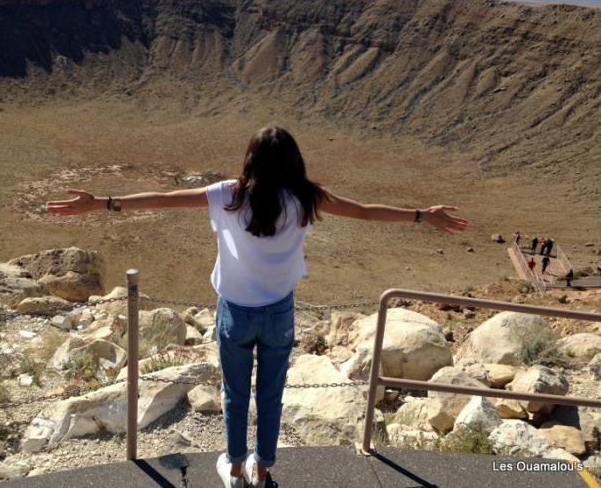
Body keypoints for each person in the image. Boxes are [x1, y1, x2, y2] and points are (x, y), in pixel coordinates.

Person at [45, 126, 470, 488]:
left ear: (249, 159)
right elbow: (364, 213)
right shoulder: (306, 197)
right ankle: (262, 467)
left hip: (234, 311)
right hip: (279, 313)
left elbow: (162, 198)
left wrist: (101, 203)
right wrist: (420, 215)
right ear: (294, 161)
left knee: (234, 393)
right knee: (270, 393)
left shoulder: (228, 195)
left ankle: (232, 466)